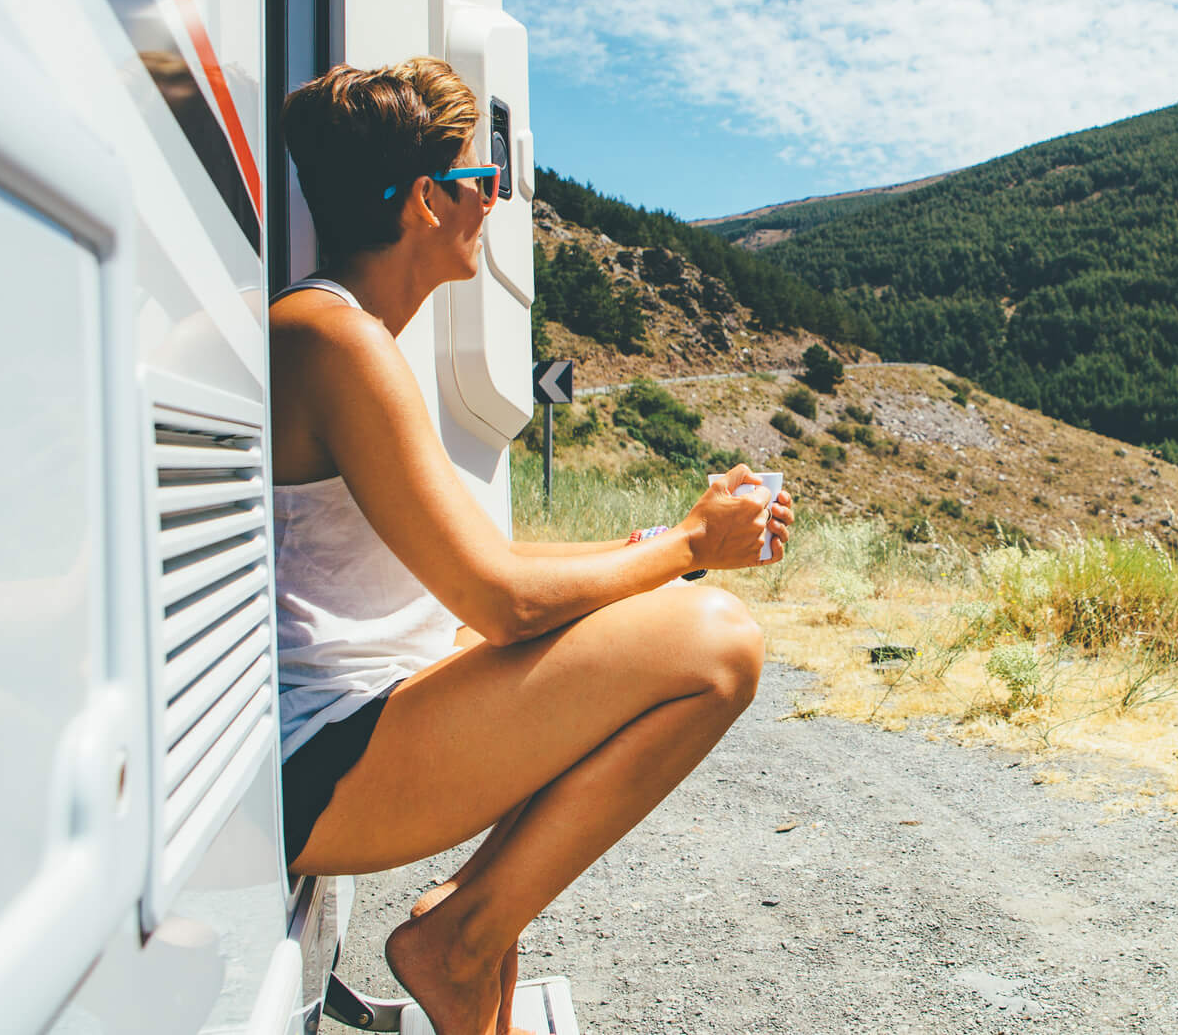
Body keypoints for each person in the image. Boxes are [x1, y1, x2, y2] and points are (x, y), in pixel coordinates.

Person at [268, 58, 790, 1035]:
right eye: (482, 181)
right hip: (321, 765)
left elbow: (475, 578)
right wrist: (687, 546)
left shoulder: (345, 334)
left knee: (633, 629)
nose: (495, 202)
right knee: (718, 643)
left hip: (351, 734)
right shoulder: (335, 340)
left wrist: (658, 547)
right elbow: (499, 601)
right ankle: (456, 943)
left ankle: (476, 959)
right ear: (426, 200)